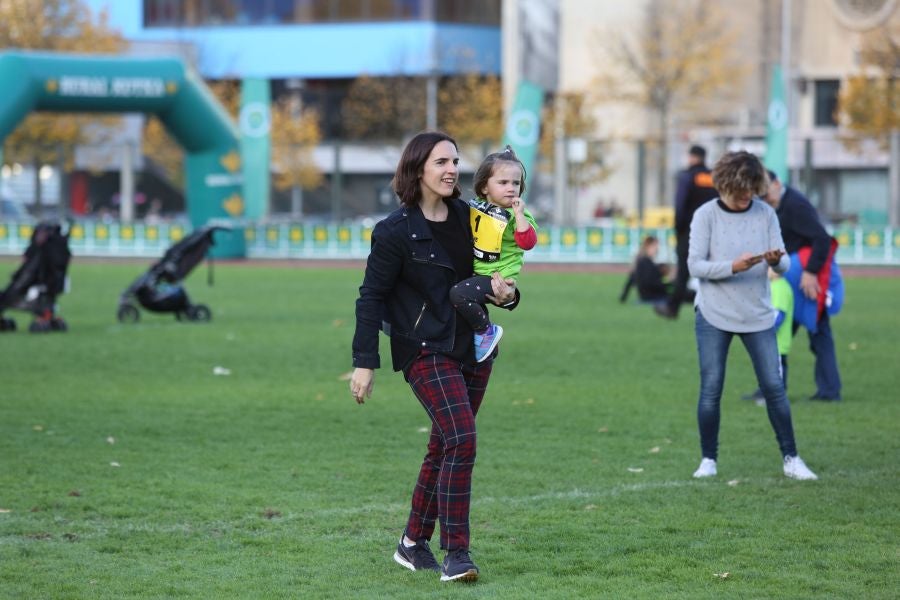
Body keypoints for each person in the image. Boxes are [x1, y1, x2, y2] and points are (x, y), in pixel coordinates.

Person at [350, 131, 519, 583]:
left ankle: (411, 542)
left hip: (475, 347)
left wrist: (508, 293)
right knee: (462, 438)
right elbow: (370, 298)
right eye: (441, 161)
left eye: (455, 161)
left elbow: (495, 271)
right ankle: (457, 553)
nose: (451, 169)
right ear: (417, 168)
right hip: (423, 348)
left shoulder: (472, 216)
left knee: (444, 443)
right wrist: (365, 362)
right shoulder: (392, 232)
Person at [688, 151, 817, 481]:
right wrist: (734, 266)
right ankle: (708, 459)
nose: (746, 196)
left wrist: (775, 260)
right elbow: (695, 266)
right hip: (714, 313)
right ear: (725, 185)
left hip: (757, 314)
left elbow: (785, 265)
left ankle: (791, 458)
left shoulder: (765, 214)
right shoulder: (705, 216)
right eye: (740, 190)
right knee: (711, 389)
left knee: (774, 387)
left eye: (751, 189)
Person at [449, 146, 537, 363]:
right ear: (484, 187)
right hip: (480, 272)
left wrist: (519, 216)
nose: (511, 189)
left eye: (516, 183)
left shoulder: (518, 215)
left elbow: (527, 243)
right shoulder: (478, 208)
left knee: (458, 294)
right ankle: (483, 341)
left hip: (498, 277)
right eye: (503, 183)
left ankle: (485, 332)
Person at [762, 171, 842, 401]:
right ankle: (774, 388)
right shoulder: (773, 206)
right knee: (777, 337)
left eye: (765, 192)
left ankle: (828, 391)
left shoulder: (795, 206)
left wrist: (810, 272)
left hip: (806, 282)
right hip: (788, 282)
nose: (763, 198)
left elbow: (822, 239)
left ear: (777, 184)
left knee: (818, 333)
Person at [655, 144, 718, 319]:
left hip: (689, 231)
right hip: (712, 231)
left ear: (692, 157)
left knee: (683, 270)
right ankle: (715, 308)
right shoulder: (713, 177)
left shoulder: (687, 177)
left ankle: (672, 308)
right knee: (713, 269)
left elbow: (680, 204)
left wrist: (678, 227)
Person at [743, 267, 794, 404]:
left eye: (768, 267)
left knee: (777, 367)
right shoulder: (773, 285)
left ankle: (776, 396)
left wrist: (766, 329)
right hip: (773, 339)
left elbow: (779, 314)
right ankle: (766, 393)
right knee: (769, 367)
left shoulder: (780, 287)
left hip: (777, 340)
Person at [619, 235, 672, 304]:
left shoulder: (642, 261)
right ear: (648, 246)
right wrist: (669, 284)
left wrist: (623, 297)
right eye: (655, 246)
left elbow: (631, 279)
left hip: (647, 296)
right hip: (652, 297)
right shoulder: (645, 263)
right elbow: (651, 283)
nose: (657, 249)